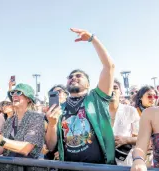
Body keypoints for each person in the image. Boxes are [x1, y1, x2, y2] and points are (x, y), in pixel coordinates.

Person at [45, 28, 115, 164]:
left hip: (99, 168)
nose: (73, 78)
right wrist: (52, 124)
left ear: (89, 84)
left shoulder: (96, 99)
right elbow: (50, 146)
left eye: (79, 76)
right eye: (70, 77)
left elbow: (109, 67)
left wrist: (92, 39)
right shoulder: (59, 108)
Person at [0, 83, 45, 159]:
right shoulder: (9, 121)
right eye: (12, 93)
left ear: (28, 99)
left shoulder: (36, 118)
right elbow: (0, 151)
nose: (14, 95)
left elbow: (26, 148)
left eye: (19, 92)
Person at [109, 79, 140, 166]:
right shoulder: (96, 113)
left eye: (115, 88)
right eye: (108, 87)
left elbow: (141, 139)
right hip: (103, 163)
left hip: (125, 162)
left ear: (121, 92)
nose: (112, 90)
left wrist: (125, 140)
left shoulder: (131, 111)